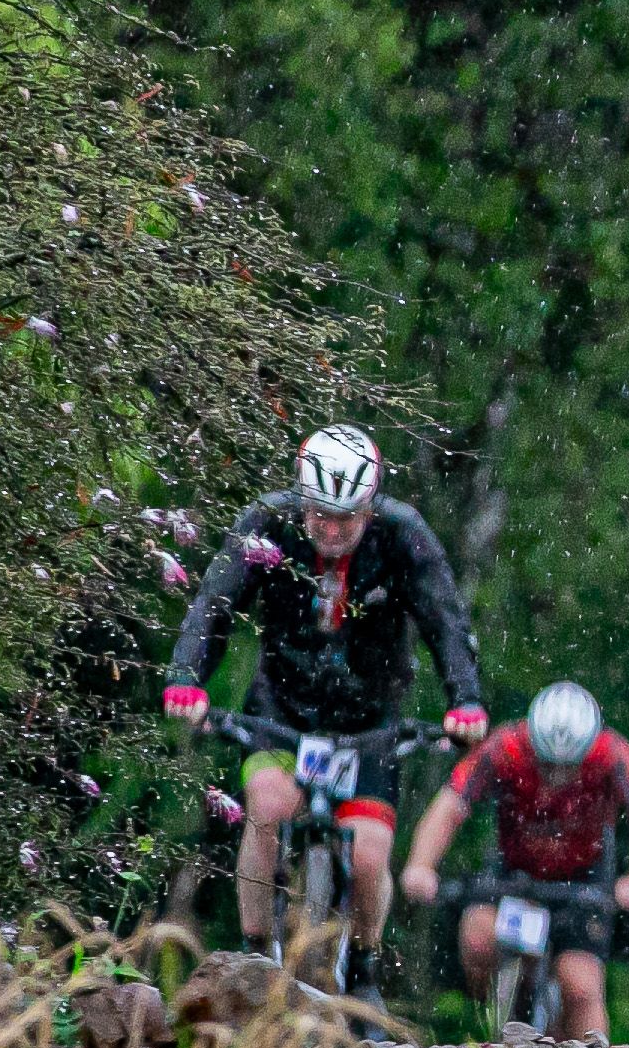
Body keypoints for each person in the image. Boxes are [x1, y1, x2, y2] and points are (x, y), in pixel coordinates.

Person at [161, 424, 487, 993]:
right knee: (267, 807)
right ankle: (254, 954)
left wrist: (466, 700)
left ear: (371, 508)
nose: (332, 531)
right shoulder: (268, 523)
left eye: (348, 520)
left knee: (370, 854)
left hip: (368, 719)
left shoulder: (403, 534)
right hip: (281, 708)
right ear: (300, 501)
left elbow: (446, 623)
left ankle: (362, 969)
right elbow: (214, 603)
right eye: (320, 517)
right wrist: (186, 678)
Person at [397, 681, 629, 1042]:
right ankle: (500, 1017)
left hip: (583, 879)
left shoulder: (610, 753)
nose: (556, 778)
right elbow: (452, 803)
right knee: (478, 940)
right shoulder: (507, 747)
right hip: (514, 872)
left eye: (568, 768)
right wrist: (421, 865)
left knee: (580, 986)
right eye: (546, 765)